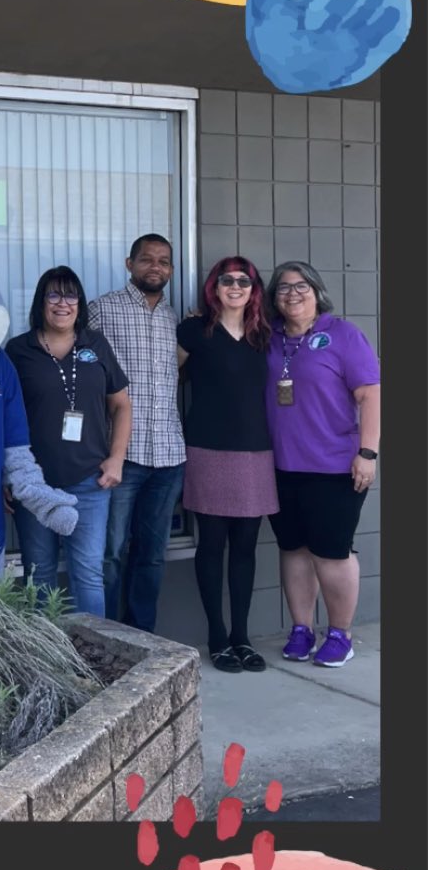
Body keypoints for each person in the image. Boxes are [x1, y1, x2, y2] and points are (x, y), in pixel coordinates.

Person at [264, 261, 380, 667]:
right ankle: (302, 629)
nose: (292, 294)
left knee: (331, 552)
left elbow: (370, 396)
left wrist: (368, 453)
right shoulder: (269, 337)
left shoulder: (343, 335)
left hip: (334, 467)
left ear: (317, 292)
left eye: (302, 286)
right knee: (293, 549)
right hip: (281, 467)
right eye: (283, 287)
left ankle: (340, 634)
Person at [5, 266, 131, 616]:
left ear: (80, 302)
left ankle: (92, 649)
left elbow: (121, 405)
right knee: (39, 574)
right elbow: (0, 417)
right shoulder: (18, 350)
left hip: (89, 481)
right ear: (40, 302)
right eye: (54, 295)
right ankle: (46, 649)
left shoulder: (96, 345)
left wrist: (117, 458)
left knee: (88, 574)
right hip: (34, 485)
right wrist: (7, 474)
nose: (63, 303)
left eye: (71, 294)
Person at [176, 257, 278, 673]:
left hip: (255, 452)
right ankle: (217, 637)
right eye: (226, 280)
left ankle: (241, 637)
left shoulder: (264, 334)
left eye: (243, 281)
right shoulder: (193, 330)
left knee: (245, 547)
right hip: (208, 450)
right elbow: (164, 379)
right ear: (213, 287)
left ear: (254, 289)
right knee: (212, 545)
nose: (235, 286)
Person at [87, 234, 186, 632]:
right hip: (120, 456)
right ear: (130, 264)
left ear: (172, 269)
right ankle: (109, 636)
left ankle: (144, 636)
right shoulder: (102, 310)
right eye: (147, 259)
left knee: (152, 555)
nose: (155, 267)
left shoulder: (175, 320)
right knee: (109, 553)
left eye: (163, 261)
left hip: (169, 455)